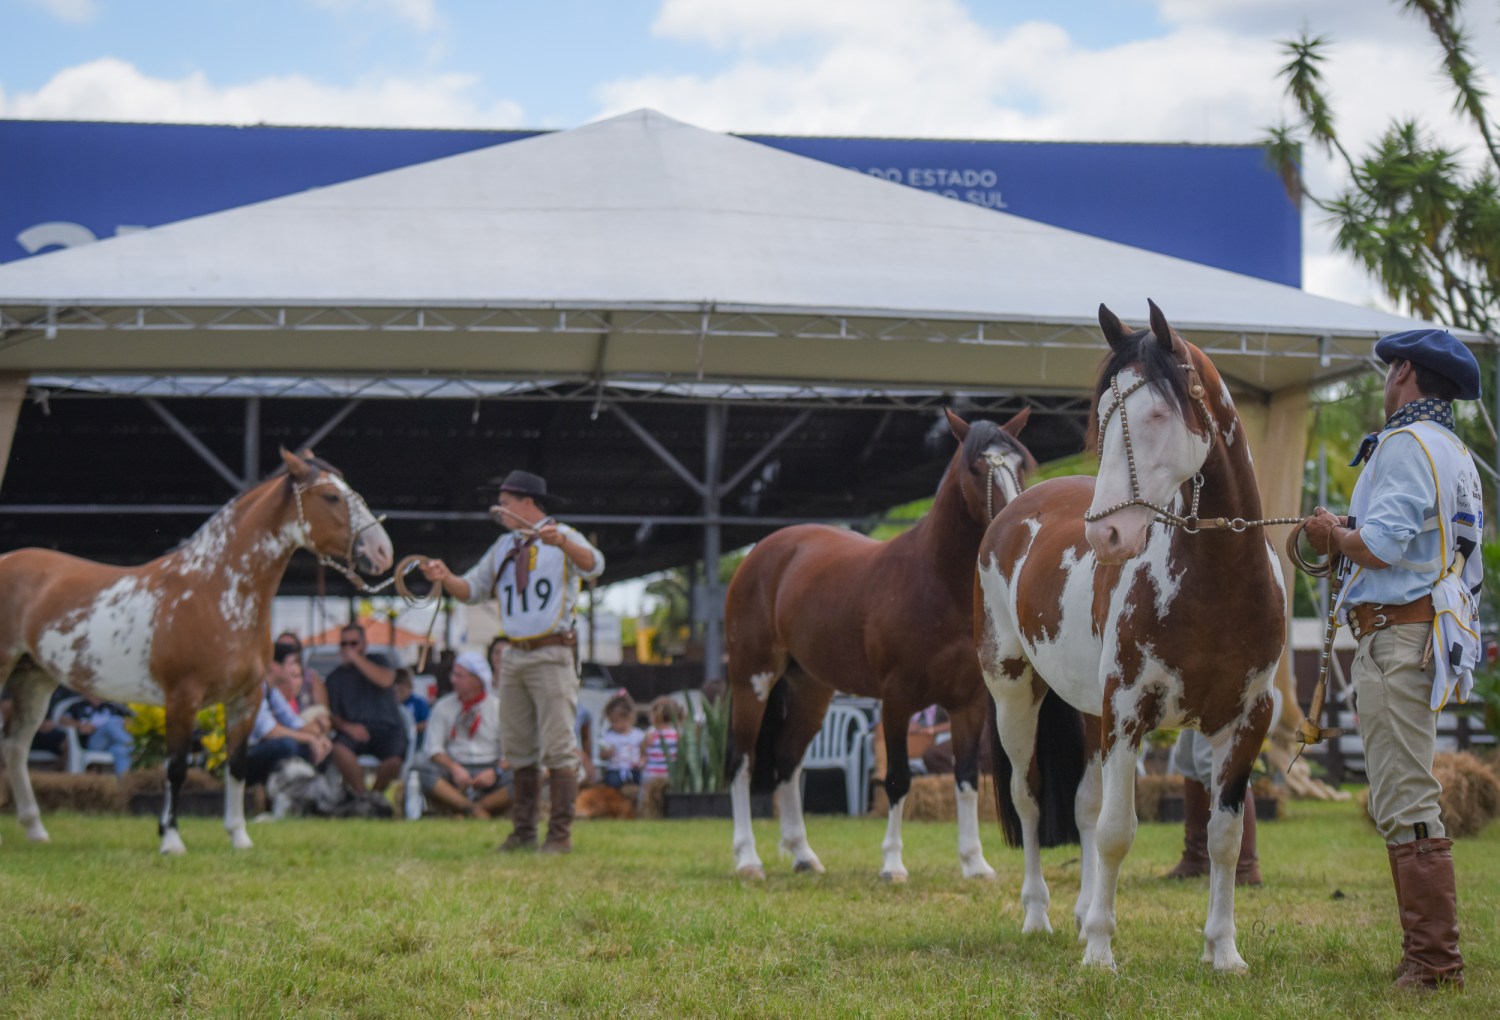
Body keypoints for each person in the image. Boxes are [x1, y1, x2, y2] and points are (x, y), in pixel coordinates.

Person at [1303, 327, 1484, 991]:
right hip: (1423, 632)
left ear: (1404, 371)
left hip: (1397, 634)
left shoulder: (1406, 446)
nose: (1385, 383)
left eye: (1388, 372)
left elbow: (1378, 544)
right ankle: (1427, 956)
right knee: (1403, 790)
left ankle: (1435, 964)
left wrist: (1330, 533)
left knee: (1405, 795)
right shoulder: (1455, 452)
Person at [420, 469, 604, 854]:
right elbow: (471, 590)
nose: (499, 509)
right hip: (515, 655)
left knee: (558, 744)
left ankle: (559, 834)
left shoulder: (563, 536)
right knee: (519, 744)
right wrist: (445, 576)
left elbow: (594, 565)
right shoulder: (504, 546)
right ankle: (523, 830)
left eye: (505, 501)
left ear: (527, 502)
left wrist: (564, 544)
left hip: (554, 652)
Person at [412, 650, 510, 819]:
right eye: (453, 674)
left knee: (526, 774)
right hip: (454, 769)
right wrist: (454, 768)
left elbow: (511, 751)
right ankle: (473, 810)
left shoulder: (498, 708)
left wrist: (495, 772)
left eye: (459, 676)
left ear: (476, 680)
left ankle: (474, 808)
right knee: (424, 770)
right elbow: (433, 749)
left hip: (490, 767)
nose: (453, 680)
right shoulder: (443, 706)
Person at [324, 623, 408, 796]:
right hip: (354, 731)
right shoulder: (335, 677)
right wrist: (348, 728)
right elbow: (333, 714)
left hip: (387, 729)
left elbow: (385, 680)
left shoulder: (379, 660)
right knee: (339, 749)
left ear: (364, 644)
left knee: (394, 759)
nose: (348, 648)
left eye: (353, 643)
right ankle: (362, 797)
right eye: (344, 644)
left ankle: (376, 796)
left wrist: (356, 659)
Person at [245, 649, 334, 786]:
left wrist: (319, 736)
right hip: (247, 753)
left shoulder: (272, 690)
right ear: (275, 666)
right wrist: (310, 738)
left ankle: (315, 795)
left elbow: (296, 723)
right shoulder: (256, 687)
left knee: (323, 746)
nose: (295, 668)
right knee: (287, 745)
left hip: (264, 747)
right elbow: (270, 731)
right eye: (291, 664)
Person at [61, 694, 134, 776]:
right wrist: (80, 725)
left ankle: (123, 785)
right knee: (110, 723)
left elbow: (131, 719)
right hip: (93, 743)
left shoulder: (113, 706)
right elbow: (62, 720)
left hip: (114, 743)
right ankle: (134, 746)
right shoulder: (78, 706)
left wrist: (126, 724)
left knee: (121, 750)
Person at [597, 693, 644, 789]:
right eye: (611, 722)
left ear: (628, 718)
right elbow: (601, 756)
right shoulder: (609, 736)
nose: (614, 725)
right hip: (615, 770)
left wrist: (641, 762)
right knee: (612, 782)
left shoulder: (639, 735)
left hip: (634, 769)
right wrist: (607, 754)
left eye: (616, 721)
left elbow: (644, 753)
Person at [275, 631, 328, 709]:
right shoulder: (270, 679)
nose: (291, 683)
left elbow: (322, 710)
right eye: (281, 648)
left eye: (296, 676)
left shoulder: (311, 677)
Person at [642, 697, 682, 781]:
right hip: (670, 776)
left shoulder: (650, 735)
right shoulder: (676, 735)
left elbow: (643, 754)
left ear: (655, 715)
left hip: (651, 776)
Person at [394, 669, 430, 752]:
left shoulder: (419, 702)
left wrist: (413, 728)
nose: (398, 695)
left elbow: (427, 723)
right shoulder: (391, 703)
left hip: (416, 737)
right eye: (395, 692)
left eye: (401, 691)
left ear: (410, 688)